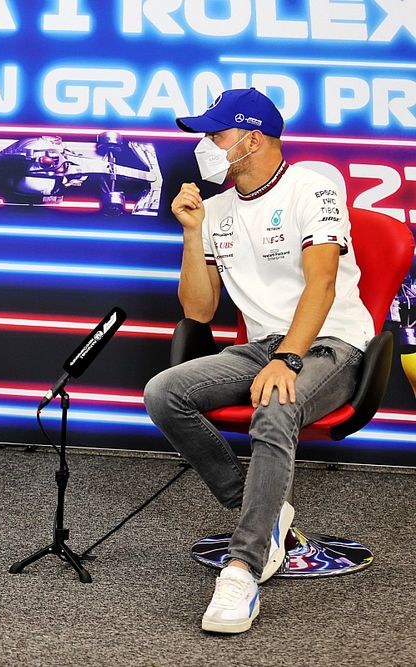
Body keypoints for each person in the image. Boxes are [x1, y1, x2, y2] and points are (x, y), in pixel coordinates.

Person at [143, 88, 371, 634]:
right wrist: (192, 234)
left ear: (252, 139)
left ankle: (242, 567)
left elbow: (321, 285)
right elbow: (198, 309)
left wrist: (288, 359)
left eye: (216, 135)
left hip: (331, 342)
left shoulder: (312, 188)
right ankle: (265, 514)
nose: (206, 146)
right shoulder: (216, 209)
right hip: (263, 345)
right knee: (163, 393)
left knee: (275, 405)